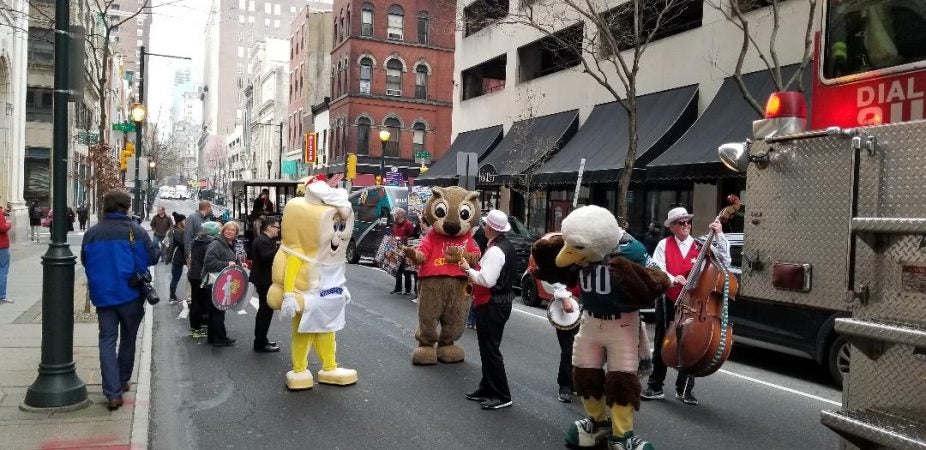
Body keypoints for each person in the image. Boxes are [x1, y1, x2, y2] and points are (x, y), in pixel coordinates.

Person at [643, 207, 730, 406]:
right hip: (669, 297)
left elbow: (725, 260)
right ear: (672, 226)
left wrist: (719, 234)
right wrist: (673, 278)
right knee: (663, 341)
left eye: (688, 222)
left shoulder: (701, 245)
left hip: (693, 303)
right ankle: (656, 385)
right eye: (681, 222)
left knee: (691, 343)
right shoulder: (664, 244)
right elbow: (656, 269)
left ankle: (684, 389)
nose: (686, 225)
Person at [80, 190, 158, 410]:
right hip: (130, 294)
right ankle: (122, 380)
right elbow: (152, 257)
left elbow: (86, 260)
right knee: (128, 338)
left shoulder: (92, 232)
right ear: (127, 207)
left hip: (103, 296)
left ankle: (112, 392)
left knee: (106, 340)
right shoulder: (135, 230)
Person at [459, 210, 516, 410]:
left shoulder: (496, 251)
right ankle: (487, 387)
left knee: (490, 350)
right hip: (498, 303)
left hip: (493, 305)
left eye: (485, 225)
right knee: (487, 348)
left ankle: (502, 394)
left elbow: (487, 280)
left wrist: (468, 269)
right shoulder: (502, 246)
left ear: (491, 228)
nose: (483, 228)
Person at [202, 221, 243, 347]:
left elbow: (233, 260)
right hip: (215, 281)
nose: (230, 232)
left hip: (223, 280)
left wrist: (241, 265)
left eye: (233, 230)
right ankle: (219, 339)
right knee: (218, 311)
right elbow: (209, 262)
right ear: (223, 230)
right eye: (227, 229)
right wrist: (226, 264)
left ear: (236, 233)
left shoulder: (232, 244)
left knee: (218, 310)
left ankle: (214, 338)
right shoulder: (216, 243)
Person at [250, 216, 281, 353]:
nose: (278, 230)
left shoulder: (264, 240)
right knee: (265, 312)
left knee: (265, 312)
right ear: (269, 227)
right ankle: (260, 343)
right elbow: (267, 257)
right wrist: (280, 248)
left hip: (262, 280)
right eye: (277, 227)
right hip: (264, 281)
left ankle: (262, 340)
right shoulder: (263, 241)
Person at [188, 221, 219, 338]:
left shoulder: (198, 240)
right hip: (201, 276)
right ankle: (197, 329)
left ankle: (193, 328)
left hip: (193, 274)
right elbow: (209, 262)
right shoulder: (209, 243)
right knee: (201, 303)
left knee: (195, 302)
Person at [389, 207, 416, 295]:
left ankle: (408, 289)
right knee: (398, 269)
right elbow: (393, 234)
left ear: (400, 215)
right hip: (397, 249)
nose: (394, 215)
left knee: (407, 270)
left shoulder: (408, 224)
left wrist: (402, 239)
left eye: (396, 213)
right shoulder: (395, 224)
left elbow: (412, 237)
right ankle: (398, 288)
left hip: (406, 249)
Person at [167, 214, 186, 304]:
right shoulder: (178, 232)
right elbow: (183, 245)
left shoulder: (178, 231)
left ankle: (173, 296)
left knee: (176, 278)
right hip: (177, 258)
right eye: (184, 220)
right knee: (175, 278)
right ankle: (172, 297)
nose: (185, 222)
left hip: (179, 258)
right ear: (180, 222)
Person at [0, 206, 11, 304]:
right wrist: (8, 223)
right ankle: (2, 296)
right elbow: (2, 228)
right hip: (2, 246)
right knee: (3, 270)